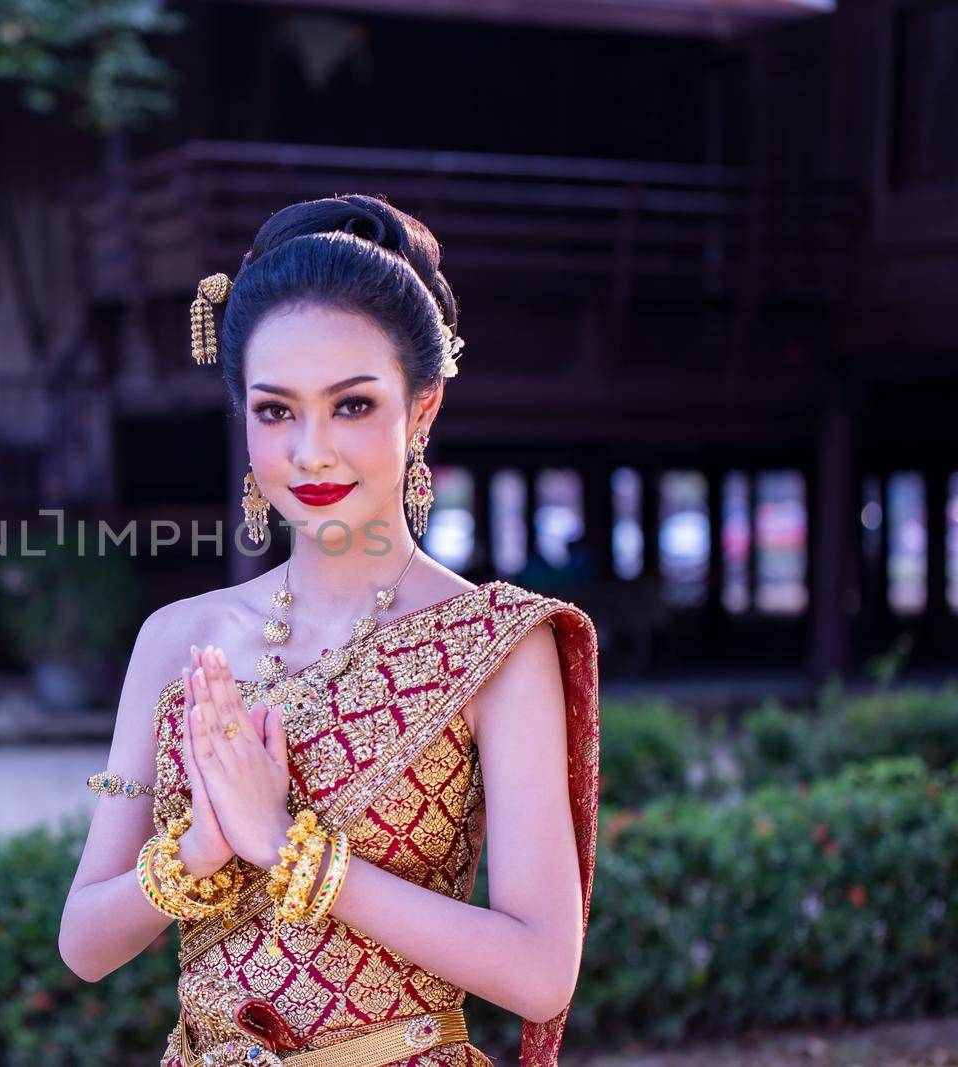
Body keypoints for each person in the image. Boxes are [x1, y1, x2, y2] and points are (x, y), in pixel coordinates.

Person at [59, 194, 600, 1067]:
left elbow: (542, 973)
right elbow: (84, 942)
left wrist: (286, 846)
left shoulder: (497, 645)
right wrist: (202, 847)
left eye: (351, 405)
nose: (310, 450)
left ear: (421, 408)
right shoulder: (176, 639)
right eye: (276, 411)